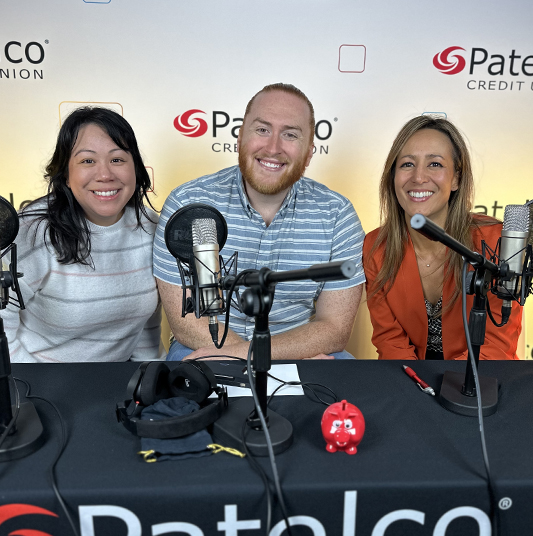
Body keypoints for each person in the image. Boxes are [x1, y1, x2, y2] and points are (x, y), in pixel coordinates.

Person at [154, 83, 365, 360]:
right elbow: (186, 323)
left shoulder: (337, 214)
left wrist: (261, 357)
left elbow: (334, 328)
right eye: (262, 130)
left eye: (290, 135)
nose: (273, 147)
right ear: (240, 137)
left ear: (309, 153)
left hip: (299, 351)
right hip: (207, 345)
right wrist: (261, 360)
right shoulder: (188, 203)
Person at [1, 107, 165, 363]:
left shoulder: (152, 228)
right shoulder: (32, 232)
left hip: (119, 384)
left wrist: (149, 383)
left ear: (136, 168)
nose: (105, 175)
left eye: (117, 159)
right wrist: (25, 389)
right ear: (66, 174)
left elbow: (145, 329)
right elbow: (2, 322)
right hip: (38, 383)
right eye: (87, 161)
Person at [363, 115, 521, 360]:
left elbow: (496, 344)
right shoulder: (375, 247)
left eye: (435, 164)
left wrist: (448, 387)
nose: (418, 177)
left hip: (480, 377)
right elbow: (390, 341)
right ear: (392, 176)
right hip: (410, 378)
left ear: (456, 178)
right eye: (407, 164)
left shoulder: (497, 241)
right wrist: (418, 388)